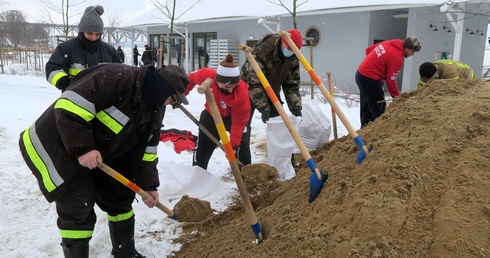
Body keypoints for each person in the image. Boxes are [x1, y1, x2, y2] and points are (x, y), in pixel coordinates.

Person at [18, 63, 190, 258]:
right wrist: (83, 148)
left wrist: (149, 185)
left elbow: (147, 150)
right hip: (59, 143)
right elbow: (67, 108)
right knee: (78, 209)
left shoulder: (155, 108)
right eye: (172, 98)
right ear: (162, 88)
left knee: (120, 197)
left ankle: (125, 252)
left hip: (99, 152)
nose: (169, 103)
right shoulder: (117, 78)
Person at [241, 29, 303, 168]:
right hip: (247, 89)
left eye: (294, 50)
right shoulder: (264, 50)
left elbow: (291, 84)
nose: (290, 52)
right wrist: (263, 108)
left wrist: (296, 107)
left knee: (282, 125)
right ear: (282, 42)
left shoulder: (293, 56)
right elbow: (254, 82)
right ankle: (244, 168)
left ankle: (285, 162)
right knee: (244, 128)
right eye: (288, 49)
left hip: (271, 90)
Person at [185, 53, 251, 169]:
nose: (230, 91)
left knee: (242, 145)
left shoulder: (241, 94)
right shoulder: (206, 75)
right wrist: (182, 94)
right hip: (211, 115)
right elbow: (189, 79)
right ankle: (198, 174)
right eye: (226, 87)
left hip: (232, 118)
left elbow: (239, 121)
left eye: (233, 87)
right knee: (203, 146)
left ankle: (247, 176)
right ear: (218, 81)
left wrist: (234, 145)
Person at [45, 5, 119, 92]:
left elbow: (120, 74)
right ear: (82, 31)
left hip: (104, 102)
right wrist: (65, 83)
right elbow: (52, 69)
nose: (93, 38)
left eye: (97, 34)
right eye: (90, 33)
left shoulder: (110, 51)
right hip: (74, 99)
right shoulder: (66, 48)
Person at [355, 36, 421, 128]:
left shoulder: (388, 43)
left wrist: (375, 65)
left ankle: (365, 128)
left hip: (360, 74)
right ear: (407, 48)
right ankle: (377, 132)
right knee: (379, 109)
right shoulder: (397, 57)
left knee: (367, 105)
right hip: (370, 78)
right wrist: (397, 98)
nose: (412, 54)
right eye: (412, 51)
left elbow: (368, 50)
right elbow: (391, 80)